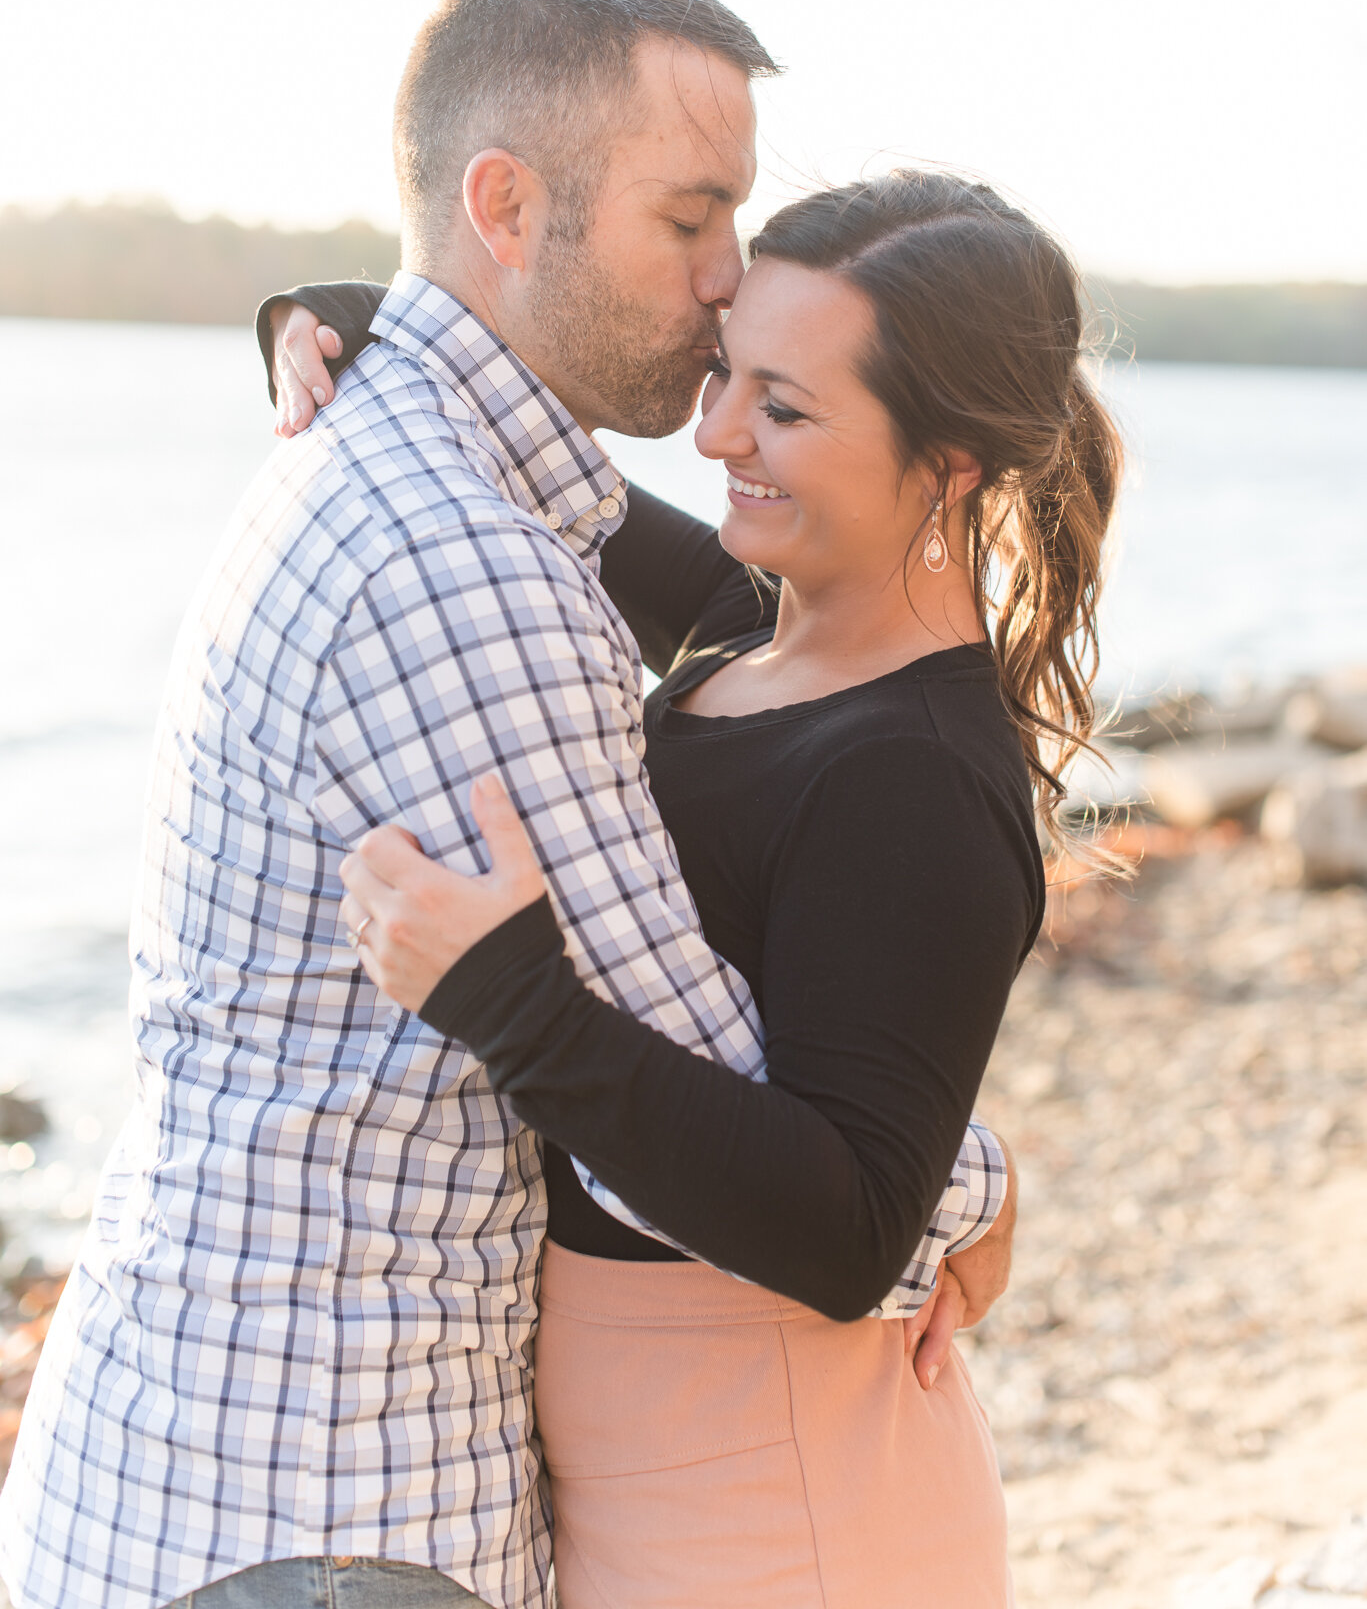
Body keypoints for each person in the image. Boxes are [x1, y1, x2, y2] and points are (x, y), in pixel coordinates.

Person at [0, 0, 1008, 1609]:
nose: (722, 280)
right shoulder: (460, 564)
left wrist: (373, 314)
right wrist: (968, 1177)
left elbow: (793, 633)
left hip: (249, 1485)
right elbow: (705, 1109)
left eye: (735, 224)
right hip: (324, 1517)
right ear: (507, 203)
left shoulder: (418, 468)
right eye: (689, 219)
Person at [259, 168, 1122, 1607]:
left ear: (953, 461)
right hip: (649, 1460)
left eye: (782, 408)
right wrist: (338, 329)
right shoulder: (750, 623)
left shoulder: (918, 775)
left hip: (776, 1497)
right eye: (726, 375)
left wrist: (513, 1006)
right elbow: (522, 470)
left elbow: (848, 1229)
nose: (716, 434)